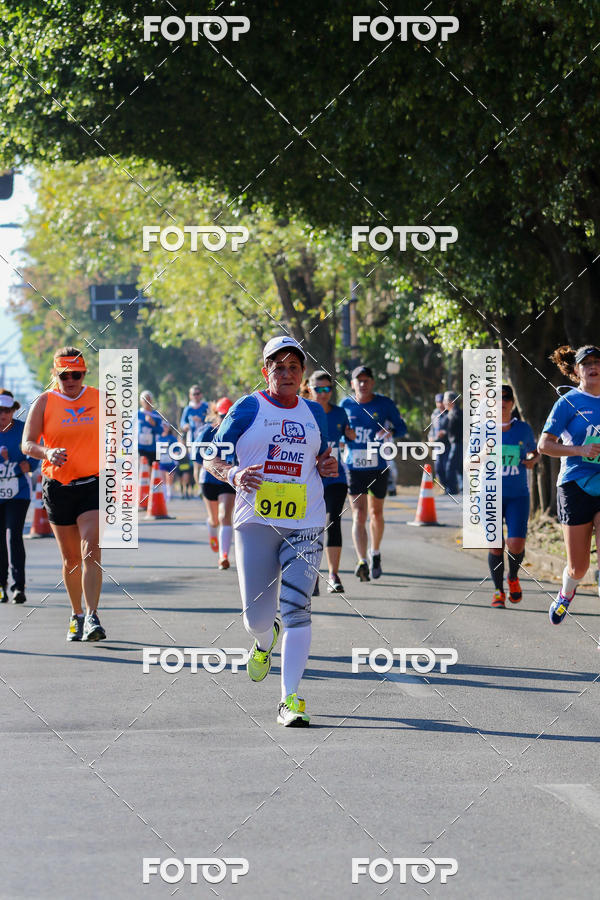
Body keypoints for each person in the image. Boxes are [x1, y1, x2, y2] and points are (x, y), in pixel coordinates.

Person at [206, 335, 336, 726]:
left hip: (306, 522)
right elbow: (211, 457)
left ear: (302, 375)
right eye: (277, 366)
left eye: (293, 367)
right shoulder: (248, 408)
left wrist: (328, 467)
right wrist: (233, 473)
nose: (286, 373)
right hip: (255, 522)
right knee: (256, 619)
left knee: (299, 607)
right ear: (266, 372)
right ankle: (265, 640)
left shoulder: (315, 413)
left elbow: (324, 458)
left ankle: (290, 699)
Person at [21, 348, 105, 641]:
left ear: (84, 373)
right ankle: (76, 614)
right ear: (55, 375)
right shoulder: (44, 402)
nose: (71, 380)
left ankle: (93, 616)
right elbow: (27, 444)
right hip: (57, 488)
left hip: (92, 484)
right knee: (71, 559)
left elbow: (120, 434)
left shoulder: (99, 398)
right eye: (64, 375)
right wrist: (47, 452)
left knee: (90, 551)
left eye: (76, 375)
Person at [539, 345, 600, 625]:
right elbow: (545, 446)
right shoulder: (567, 403)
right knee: (579, 567)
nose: (592, 366)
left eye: (597, 362)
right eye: (585, 363)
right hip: (575, 485)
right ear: (576, 371)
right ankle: (566, 592)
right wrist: (580, 450)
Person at [340, 365, 407, 581]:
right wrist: (345, 437)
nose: (362, 384)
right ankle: (362, 560)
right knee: (359, 514)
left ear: (372, 382)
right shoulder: (346, 405)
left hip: (378, 466)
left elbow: (402, 427)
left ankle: (375, 552)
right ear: (352, 384)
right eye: (358, 380)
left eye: (366, 380)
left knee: (376, 513)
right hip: (353, 467)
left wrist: (391, 431)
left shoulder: (384, 404)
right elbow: (338, 434)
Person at [488, 384, 539, 608]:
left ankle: (513, 577)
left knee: (515, 544)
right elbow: (468, 461)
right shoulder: (482, 430)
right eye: (498, 398)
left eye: (507, 397)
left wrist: (532, 458)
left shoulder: (523, 429)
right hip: (490, 494)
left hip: (517, 494)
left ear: (513, 402)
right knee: (496, 544)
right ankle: (498, 591)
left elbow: (534, 451)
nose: (503, 401)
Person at [309, 370, 356, 593]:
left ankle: (333, 575)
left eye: (327, 389)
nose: (323, 393)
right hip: (308, 477)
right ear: (310, 389)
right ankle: (312, 575)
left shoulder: (340, 413)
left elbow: (349, 438)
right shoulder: (303, 411)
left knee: (332, 521)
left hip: (335, 477)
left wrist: (351, 436)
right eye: (318, 389)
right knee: (312, 526)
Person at [0, 390, 38, 604]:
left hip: (18, 493)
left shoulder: (23, 430)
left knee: (13, 536)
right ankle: (1, 585)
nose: (2, 414)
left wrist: (30, 464)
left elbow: (33, 453)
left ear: (14, 411)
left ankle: (18, 586)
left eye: (6, 410)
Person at [194, 397, 235, 569]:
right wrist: (198, 481)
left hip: (227, 479)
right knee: (214, 520)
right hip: (209, 480)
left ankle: (223, 556)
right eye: (222, 415)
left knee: (224, 516)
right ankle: (212, 531)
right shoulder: (206, 432)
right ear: (216, 414)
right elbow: (197, 458)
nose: (225, 419)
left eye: (229, 416)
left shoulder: (237, 431)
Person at [180, 385, 208, 487]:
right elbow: (182, 423)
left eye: (197, 394)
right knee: (197, 465)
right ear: (190, 396)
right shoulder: (188, 409)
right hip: (193, 441)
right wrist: (186, 426)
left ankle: (205, 486)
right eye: (193, 394)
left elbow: (213, 419)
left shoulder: (206, 406)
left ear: (201, 395)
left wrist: (201, 420)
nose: (195, 396)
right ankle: (201, 488)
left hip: (205, 439)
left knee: (206, 464)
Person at [443, 391, 463, 495]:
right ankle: (462, 488)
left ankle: (452, 490)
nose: (444, 403)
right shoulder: (451, 413)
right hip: (454, 443)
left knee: (450, 466)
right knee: (459, 467)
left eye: (446, 401)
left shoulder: (457, 413)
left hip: (458, 443)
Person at [137, 390, 162, 465]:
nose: (147, 402)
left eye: (148, 399)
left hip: (153, 448)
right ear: (141, 401)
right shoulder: (137, 414)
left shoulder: (156, 415)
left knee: (154, 471)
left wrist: (153, 424)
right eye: (144, 399)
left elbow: (161, 431)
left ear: (151, 400)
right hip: (140, 448)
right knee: (142, 470)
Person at [430, 392, 447, 489]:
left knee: (448, 466)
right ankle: (444, 487)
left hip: (447, 444)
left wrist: (444, 432)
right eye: (438, 402)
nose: (440, 404)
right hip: (437, 445)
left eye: (441, 402)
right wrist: (430, 437)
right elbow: (432, 428)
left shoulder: (449, 413)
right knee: (438, 467)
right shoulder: (434, 414)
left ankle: (452, 487)